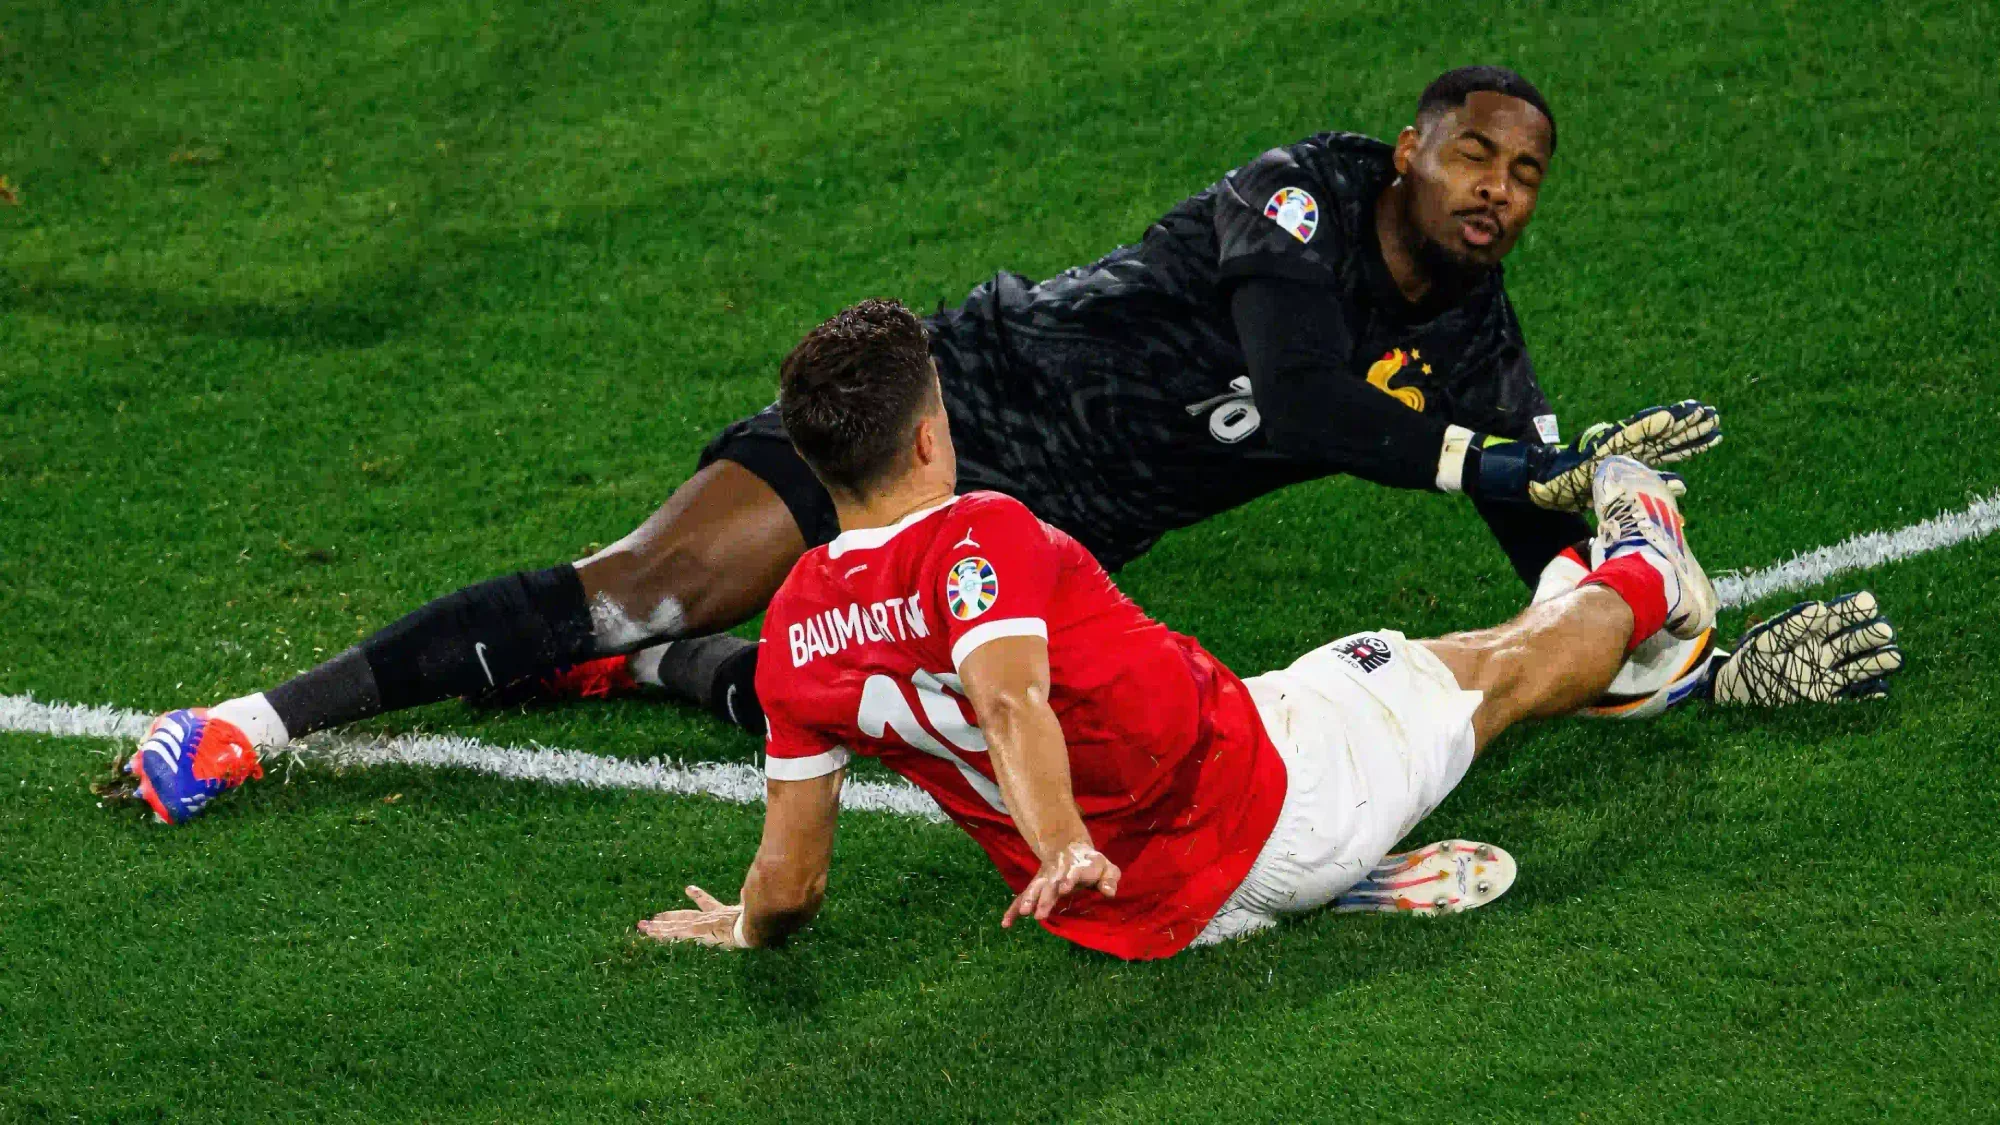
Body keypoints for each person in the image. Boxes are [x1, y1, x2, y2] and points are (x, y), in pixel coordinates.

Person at [125, 66, 1744, 825]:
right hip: (954, 405)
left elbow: (1554, 572)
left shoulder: (1485, 342)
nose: (1498, 192)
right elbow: (1312, 401)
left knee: (924, 731)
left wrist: (1642, 582)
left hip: (1061, 532)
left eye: (1526, 178)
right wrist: (1520, 471)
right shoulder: (1299, 191)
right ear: (1414, 148)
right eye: (1477, 155)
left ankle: (665, 678)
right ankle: (254, 726)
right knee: (651, 577)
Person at [632, 301, 1898, 958]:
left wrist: (746, 926)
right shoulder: (980, 534)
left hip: (1119, 914)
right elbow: (1009, 696)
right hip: (1260, 804)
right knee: (1487, 666)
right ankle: (1645, 576)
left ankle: (1303, 889)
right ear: (926, 435)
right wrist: (1061, 835)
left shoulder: (795, 625)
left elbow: (790, 879)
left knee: (1305, 677)